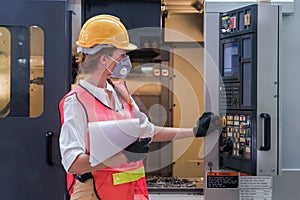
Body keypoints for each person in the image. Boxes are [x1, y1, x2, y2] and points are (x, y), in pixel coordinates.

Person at [59, 14, 221, 200]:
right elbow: (73, 163)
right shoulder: (76, 102)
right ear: (104, 59)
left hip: (128, 192)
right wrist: (124, 157)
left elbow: (147, 131)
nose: (125, 60)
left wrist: (194, 131)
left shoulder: (119, 92)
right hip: (94, 193)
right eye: (121, 55)